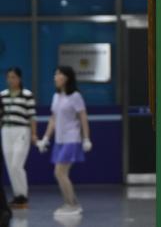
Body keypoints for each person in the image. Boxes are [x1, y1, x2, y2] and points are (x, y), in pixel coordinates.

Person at [36, 66, 92, 217]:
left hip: (71, 138)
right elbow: (53, 119)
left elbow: (83, 117)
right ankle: (72, 202)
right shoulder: (56, 96)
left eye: (58, 74)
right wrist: (45, 138)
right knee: (61, 173)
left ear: (66, 77)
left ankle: (71, 205)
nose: (55, 77)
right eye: (55, 74)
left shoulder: (75, 96)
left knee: (60, 172)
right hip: (59, 140)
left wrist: (86, 138)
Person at [0, 67, 37, 209]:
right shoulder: (2, 95)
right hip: (6, 131)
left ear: (19, 78)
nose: (11, 80)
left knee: (17, 164)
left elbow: (32, 116)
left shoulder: (27, 95)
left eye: (13, 77)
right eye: (9, 77)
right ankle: (18, 196)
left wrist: (33, 134)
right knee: (10, 166)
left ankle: (23, 195)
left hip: (22, 131)